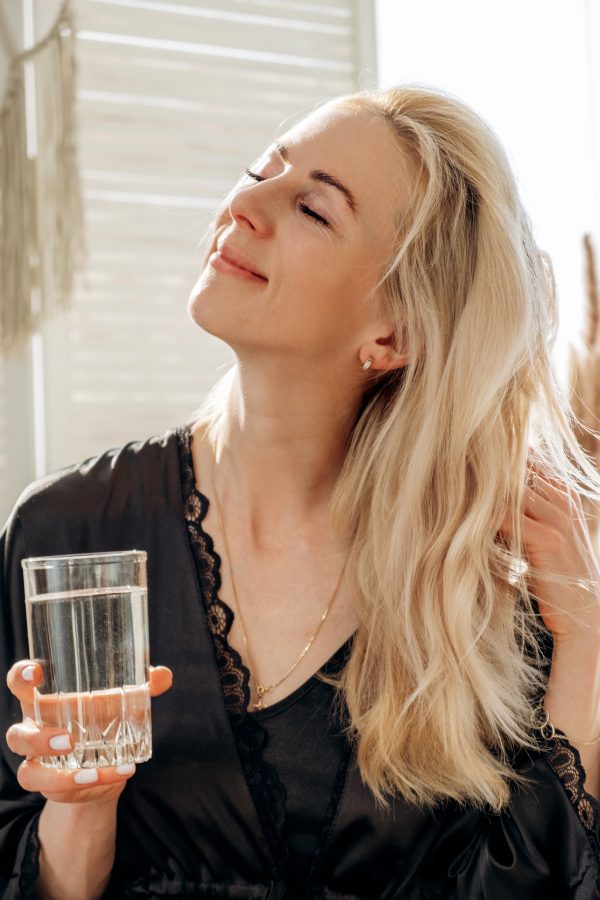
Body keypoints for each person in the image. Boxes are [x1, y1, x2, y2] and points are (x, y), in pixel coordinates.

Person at [1, 83, 600, 900]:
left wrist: (586, 647)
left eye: (314, 209)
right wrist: (81, 812)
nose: (245, 204)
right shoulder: (69, 531)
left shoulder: (487, 581)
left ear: (394, 332)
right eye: (261, 171)